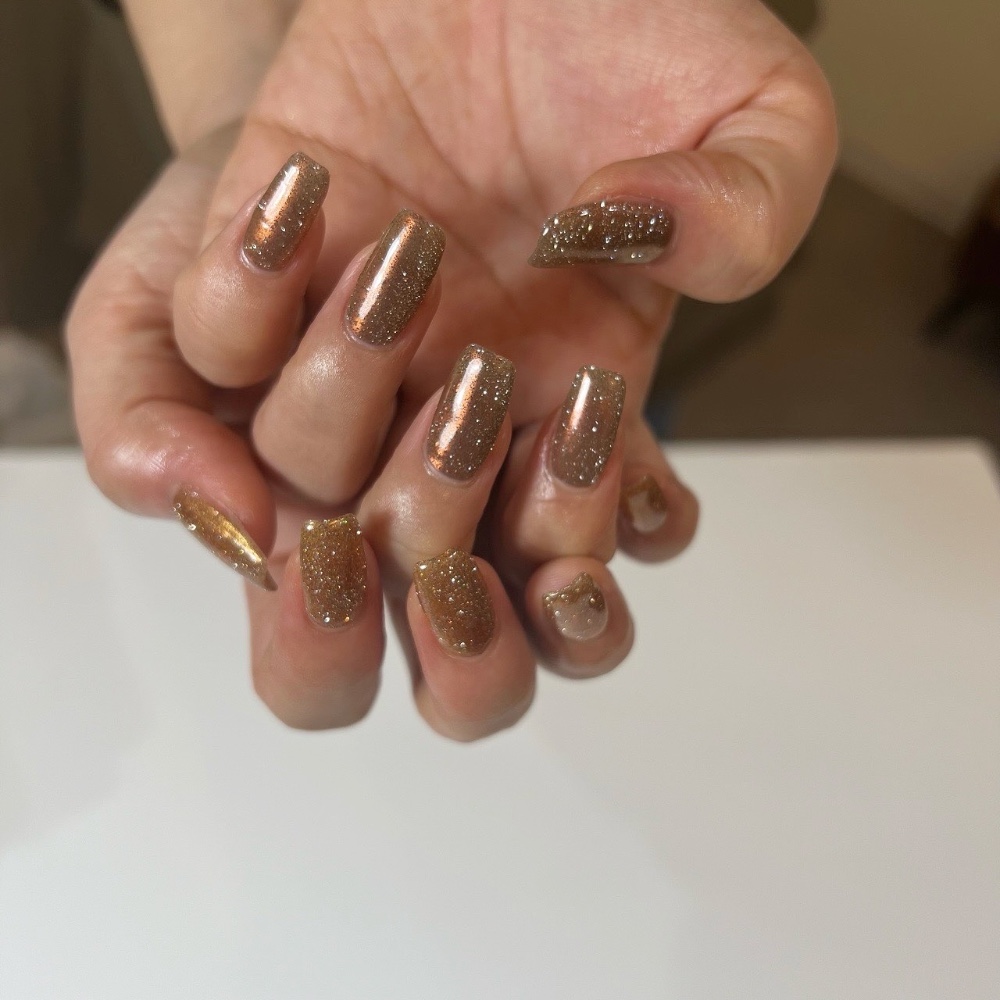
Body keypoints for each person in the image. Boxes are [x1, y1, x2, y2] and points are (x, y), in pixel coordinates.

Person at [66, 0, 837, 740]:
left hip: (638, 290)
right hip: (577, 354)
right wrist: (243, 111)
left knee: (587, 473)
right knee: (573, 481)